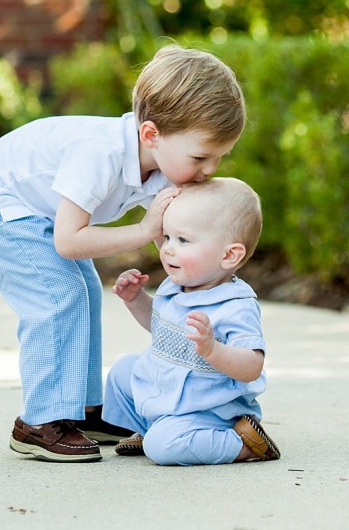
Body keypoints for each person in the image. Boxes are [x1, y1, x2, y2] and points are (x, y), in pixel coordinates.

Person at [0, 44, 246, 463]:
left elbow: (173, 234)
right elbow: (68, 241)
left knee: (86, 290)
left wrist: (204, 278)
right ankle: (40, 421)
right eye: (201, 156)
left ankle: (84, 409)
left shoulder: (162, 165)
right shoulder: (99, 155)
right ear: (151, 134)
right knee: (58, 297)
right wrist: (144, 229)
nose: (210, 169)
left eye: (219, 157)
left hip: (36, 210)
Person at [103, 177, 280, 465]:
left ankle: (243, 444)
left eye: (183, 240)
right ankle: (150, 428)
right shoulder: (175, 286)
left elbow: (252, 366)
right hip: (168, 391)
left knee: (162, 448)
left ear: (229, 255)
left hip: (208, 411)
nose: (168, 249)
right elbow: (161, 328)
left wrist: (214, 350)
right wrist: (136, 300)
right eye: (168, 237)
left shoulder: (235, 306)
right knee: (123, 369)